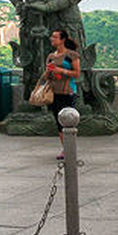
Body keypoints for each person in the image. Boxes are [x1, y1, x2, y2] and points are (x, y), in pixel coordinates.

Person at [45, 29, 85, 160]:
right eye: (52, 37)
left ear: (62, 40)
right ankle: (65, 148)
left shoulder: (72, 55)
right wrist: (49, 72)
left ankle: (69, 147)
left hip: (68, 91)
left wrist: (61, 70)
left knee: (68, 119)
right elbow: (47, 76)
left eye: (55, 37)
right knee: (58, 120)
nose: (52, 39)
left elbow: (77, 73)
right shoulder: (51, 56)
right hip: (54, 91)